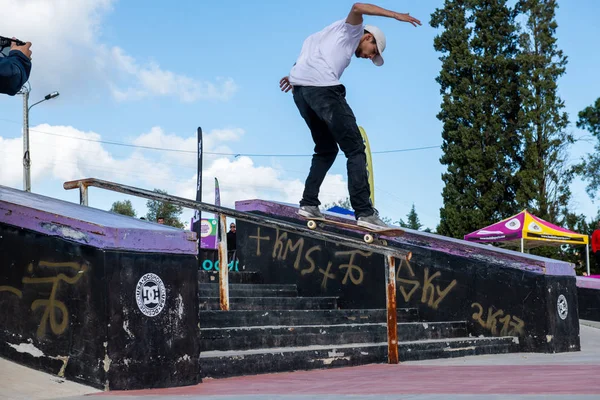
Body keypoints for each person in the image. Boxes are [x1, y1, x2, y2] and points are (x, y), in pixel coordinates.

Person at [279, 3, 421, 230]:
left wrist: (293, 76)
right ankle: (364, 212)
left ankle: (308, 203)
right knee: (355, 148)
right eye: (372, 52)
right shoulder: (352, 30)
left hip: (301, 92)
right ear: (368, 38)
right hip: (323, 91)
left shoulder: (322, 35)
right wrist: (396, 16)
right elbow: (357, 7)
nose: (369, 57)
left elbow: (310, 60)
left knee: (326, 149)